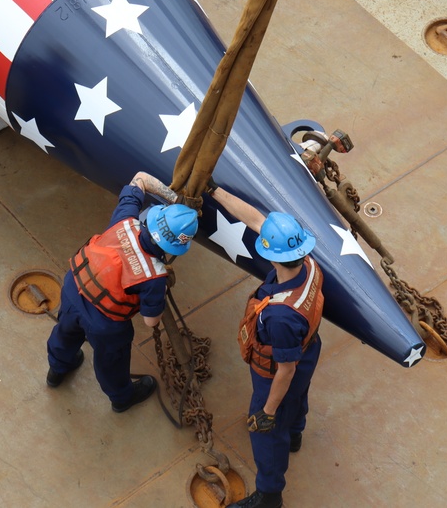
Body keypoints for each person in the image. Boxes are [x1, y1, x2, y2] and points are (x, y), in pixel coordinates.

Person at [46, 171, 198, 413]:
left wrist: (174, 199)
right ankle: (121, 397)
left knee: (65, 332)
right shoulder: (155, 276)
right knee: (111, 362)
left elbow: (140, 178)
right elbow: (150, 321)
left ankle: (57, 369)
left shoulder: (125, 220)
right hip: (104, 325)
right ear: (175, 247)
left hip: (74, 287)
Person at [211, 185, 324, 508]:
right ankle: (296, 433)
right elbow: (257, 220)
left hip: (276, 372)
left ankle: (269, 494)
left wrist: (268, 411)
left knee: (266, 433)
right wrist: (214, 191)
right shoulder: (309, 264)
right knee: (298, 398)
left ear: (272, 255)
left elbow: (285, 370)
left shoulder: (279, 316)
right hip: (308, 349)